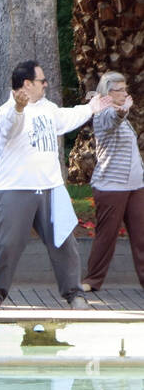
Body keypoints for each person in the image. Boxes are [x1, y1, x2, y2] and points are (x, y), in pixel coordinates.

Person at [0, 60, 110, 309]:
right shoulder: (7, 110)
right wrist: (19, 108)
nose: (46, 84)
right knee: (7, 244)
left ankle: (75, 295)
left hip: (51, 189)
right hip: (15, 189)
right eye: (42, 80)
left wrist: (91, 108)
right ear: (27, 84)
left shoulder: (48, 108)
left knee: (64, 243)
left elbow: (65, 117)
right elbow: (11, 127)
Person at [82, 72, 144, 290]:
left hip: (136, 187)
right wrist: (122, 111)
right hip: (111, 186)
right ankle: (92, 280)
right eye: (121, 90)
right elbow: (112, 121)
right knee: (106, 237)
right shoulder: (102, 114)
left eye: (125, 89)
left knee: (142, 236)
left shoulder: (123, 117)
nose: (125, 93)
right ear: (108, 93)